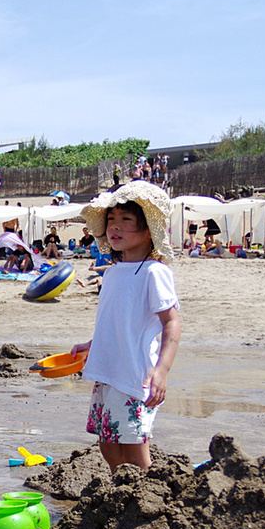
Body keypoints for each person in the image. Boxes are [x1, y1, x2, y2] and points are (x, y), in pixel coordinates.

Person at [70, 181, 180, 473]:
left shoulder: (154, 272)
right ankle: (123, 492)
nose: (114, 227)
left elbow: (171, 323)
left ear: (148, 231)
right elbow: (117, 321)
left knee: (133, 443)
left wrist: (162, 370)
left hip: (134, 374)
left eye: (126, 220)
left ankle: (146, 494)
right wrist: (93, 345)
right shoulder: (114, 271)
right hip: (108, 369)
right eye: (111, 220)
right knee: (107, 442)